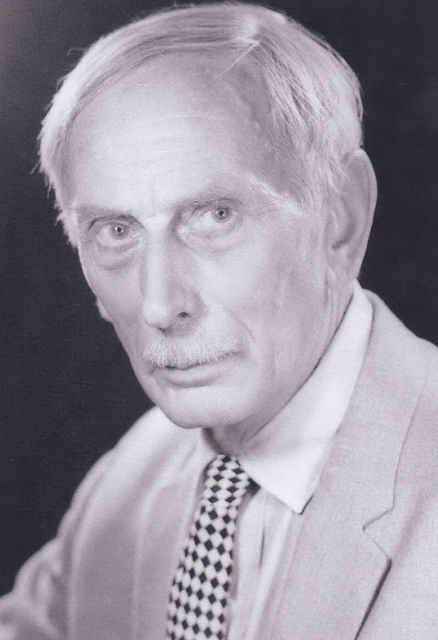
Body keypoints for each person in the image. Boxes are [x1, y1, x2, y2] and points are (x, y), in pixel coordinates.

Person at [2, 2, 438, 638]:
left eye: (214, 216)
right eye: (117, 231)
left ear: (341, 218)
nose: (159, 305)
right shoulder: (128, 481)